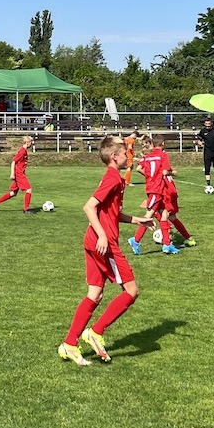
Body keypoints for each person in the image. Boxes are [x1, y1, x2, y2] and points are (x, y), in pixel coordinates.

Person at [58, 135, 153, 366]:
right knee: (131, 291)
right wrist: (102, 235)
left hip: (93, 241)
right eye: (124, 153)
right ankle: (95, 332)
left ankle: (69, 344)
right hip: (104, 244)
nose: (128, 156)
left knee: (95, 294)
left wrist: (137, 220)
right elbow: (89, 207)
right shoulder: (112, 178)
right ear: (114, 156)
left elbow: (110, 212)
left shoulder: (115, 178)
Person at [128, 134, 189, 255]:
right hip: (156, 189)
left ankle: (167, 245)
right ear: (163, 143)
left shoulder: (148, 156)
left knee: (164, 215)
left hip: (154, 188)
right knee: (148, 215)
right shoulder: (163, 155)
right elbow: (165, 172)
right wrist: (173, 173)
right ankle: (135, 240)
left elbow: (139, 168)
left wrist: (149, 176)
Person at [0, 135, 34, 213]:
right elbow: (13, 162)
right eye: (31, 142)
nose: (32, 144)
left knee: (13, 193)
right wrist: (12, 174)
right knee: (29, 189)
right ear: (27, 142)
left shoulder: (24, 151)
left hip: (19, 173)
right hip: (19, 174)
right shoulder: (22, 151)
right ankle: (26, 209)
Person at [195, 118, 214, 189]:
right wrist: (200, 143)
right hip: (207, 152)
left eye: (209, 124)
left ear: (211, 124)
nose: (207, 125)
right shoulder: (202, 131)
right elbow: (198, 140)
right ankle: (208, 184)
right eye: (206, 124)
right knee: (207, 168)